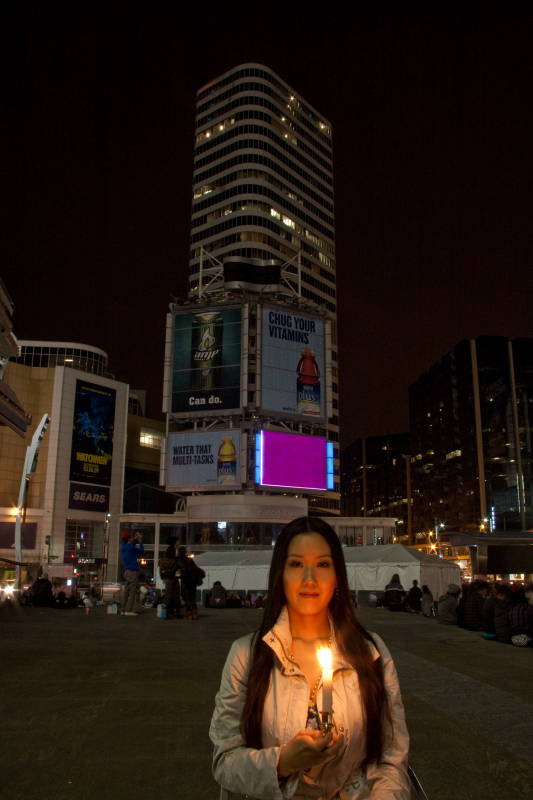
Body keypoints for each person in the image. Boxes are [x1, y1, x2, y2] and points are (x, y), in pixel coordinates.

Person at [210, 517, 410, 799]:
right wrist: (283, 762)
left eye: (323, 564)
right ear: (280, 574)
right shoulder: (247, 656)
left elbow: (391, 758)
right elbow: (225, 761)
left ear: (337, 575)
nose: (309, 579)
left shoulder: (370, 652)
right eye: (296, 564)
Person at [176, 546, 205, 620]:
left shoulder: (178, 560)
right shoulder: (189, 560)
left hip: (185, 580)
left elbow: (174, 570)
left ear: (179, 552)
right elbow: (196, 568)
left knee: (186, 598)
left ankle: (189, 614)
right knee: (192, 597)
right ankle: (195, 614)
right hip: (193, 580)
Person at [120, 530, 144, 616]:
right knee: (132, 592)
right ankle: (128, 610)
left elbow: (131, 547)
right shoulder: (131, 547)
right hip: (133, 572)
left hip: (127, 571)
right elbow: (141, 551)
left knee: (126, 591)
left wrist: (134, 540)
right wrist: (140, 541)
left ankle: (123, 609)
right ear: (129, 538)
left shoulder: (124, 547)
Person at [159, 536, 181, 619]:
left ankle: (169, 613)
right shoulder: (175, 560)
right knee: (176, 596)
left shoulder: (163, 561)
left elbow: (161, 571)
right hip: (174, 579)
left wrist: (164, 577)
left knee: (168, 596)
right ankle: (177, 613)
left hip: (167, 580)